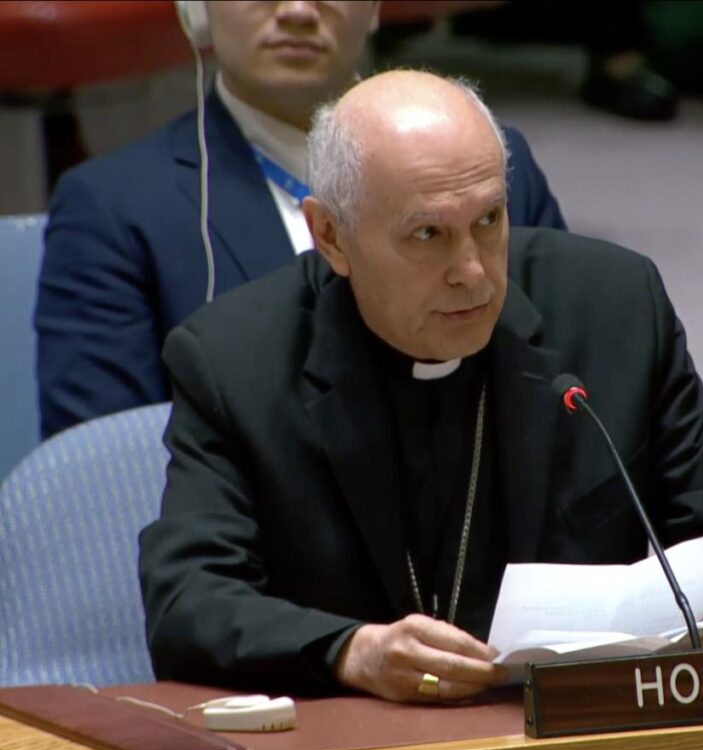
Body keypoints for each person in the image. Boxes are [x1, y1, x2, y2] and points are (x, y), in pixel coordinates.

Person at [139, 70, 703, 703]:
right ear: (332, 235)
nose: (471, 271)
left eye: (489, 221)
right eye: (428, 234)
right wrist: (353, 651)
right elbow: (189, 601)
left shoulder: (613, 309)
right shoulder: (234, 360)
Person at [35, 0, 565, 439]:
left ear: (376, 8)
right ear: (198, 11)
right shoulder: (114, 206)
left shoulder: (486, 168)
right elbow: (102, 468)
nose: (295, 10)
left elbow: (567, 380)